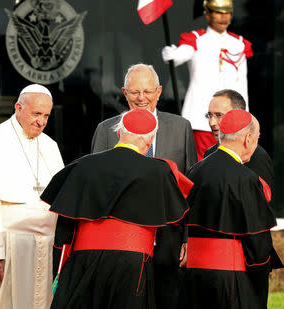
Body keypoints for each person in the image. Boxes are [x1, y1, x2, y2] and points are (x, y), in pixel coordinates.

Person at [41, 109, 192, 308]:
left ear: (119, 134)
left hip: (84, 261)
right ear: (150, 141)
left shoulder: (82, 166)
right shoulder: (160, 172)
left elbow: (65, 229)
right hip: (132, 265)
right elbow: (172, 227)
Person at [91, 63, 197, 309]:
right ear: (124, 93)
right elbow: (95, 187)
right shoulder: (106, 130)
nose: (141, 98)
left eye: (148, 92)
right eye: (135, 92)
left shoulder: (181, 127)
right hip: (120, 241)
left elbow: (191, 188)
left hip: (168, 239)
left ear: (159, 92)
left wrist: (188, 238)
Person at [0, 84, 64, 309]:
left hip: (44, 248)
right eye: (36, 114)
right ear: (18, 107)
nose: (41, 121)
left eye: (46, 115)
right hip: (6, 248)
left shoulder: (50, 146)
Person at [185, 110, 277, 309]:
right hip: (231, 277)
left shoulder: (194, 171)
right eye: (257, 138)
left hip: (194, 274)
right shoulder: (246, 178)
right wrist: (260, 277)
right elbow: (257, 242)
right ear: (248, 138)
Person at [203, 89, 282, 307]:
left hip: (245, 262)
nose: (212, 122)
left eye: (219, 115)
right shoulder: (210, 154)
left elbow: (258, 212)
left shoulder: (256, 155)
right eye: (209, 115)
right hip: (214, 265)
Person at [162, 0, 252, 160]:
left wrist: (245, 117)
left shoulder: (239, 43)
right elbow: (181, 55)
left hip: (231, 118)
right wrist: (172, 54)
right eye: (218, 12)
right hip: (201, 118)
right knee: (199, 164)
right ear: (207, 14)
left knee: (230, 162)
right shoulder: (196, 39)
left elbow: (242, 85)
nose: (224, 17)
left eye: (227, 12)